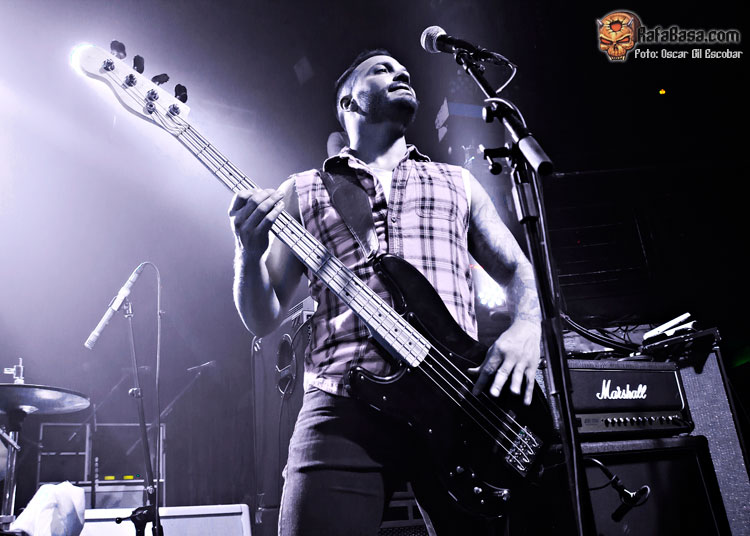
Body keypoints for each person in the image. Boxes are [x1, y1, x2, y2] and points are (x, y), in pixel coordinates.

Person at [229, 49, 542, 536]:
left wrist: (526, 326)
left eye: (403, 70)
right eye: (380, 69)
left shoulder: (457, 183)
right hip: (342, 403)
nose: (400, 73)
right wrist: (248, 254)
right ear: (348, 102)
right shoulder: (303, 191)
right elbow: (262, 317)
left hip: (459, 405)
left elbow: (518, 270)